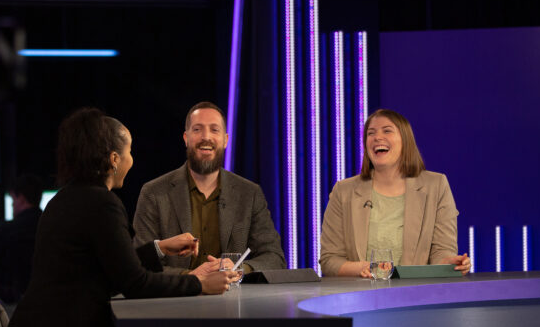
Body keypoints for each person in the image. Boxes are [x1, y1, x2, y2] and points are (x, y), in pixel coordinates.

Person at [10, 107, 229, 327]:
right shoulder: (101, 203)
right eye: (129, 152)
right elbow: (135, 283)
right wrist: (200, 285)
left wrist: (159, 248)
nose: (132, 160)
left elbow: (111, 262)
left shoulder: (71, 196)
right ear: (113, 159)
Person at [133, 101, 286, 276]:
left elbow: (274, 258)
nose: (206, 137)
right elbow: (139, 264)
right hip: (176, 299)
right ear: (186, 138)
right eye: (197, 129)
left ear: (226, 140)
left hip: (235, 300)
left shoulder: (249, 194)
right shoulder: (154, 193)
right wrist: (190, 278)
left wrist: (239, 269)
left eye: (214, 130)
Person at [318, 109, 471, 277]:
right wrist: (366, 268)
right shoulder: (343, 191)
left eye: (387, 130)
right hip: (359, 297)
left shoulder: (436, 186)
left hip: (417, 296)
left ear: (405, 140)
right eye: (371, 133)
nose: (377, 137)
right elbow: (329, 260)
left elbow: (442, 251)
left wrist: (448, 263)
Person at [0, 173, 43, 305]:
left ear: (21, 199)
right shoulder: (49, 225)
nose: (12, 205)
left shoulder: (8, 228)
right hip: (45, 297)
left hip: (13, 301)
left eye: (13, 200)